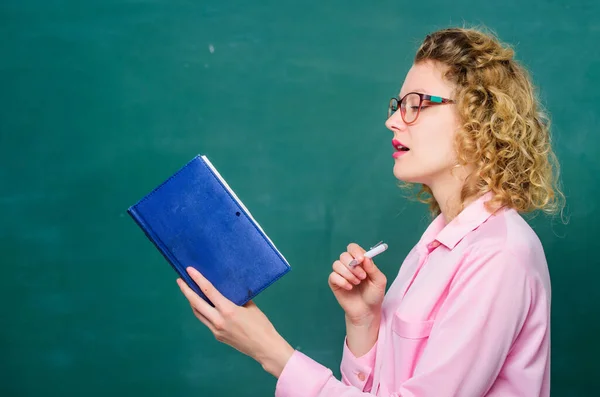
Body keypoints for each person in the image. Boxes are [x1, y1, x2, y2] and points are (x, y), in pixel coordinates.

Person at [176, 26, 565, 397]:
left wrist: (271, 353)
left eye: (416, 104)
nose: (393, 120)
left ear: (479, 119)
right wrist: (363, 322)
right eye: (398, 105)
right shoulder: (435, 246)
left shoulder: (499, 256)